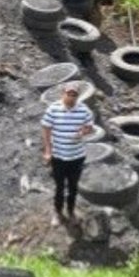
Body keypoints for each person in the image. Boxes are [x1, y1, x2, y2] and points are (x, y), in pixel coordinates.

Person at [41, 83, 94, 226]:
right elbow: (46, 129)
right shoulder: (53, 109)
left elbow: (90, 127)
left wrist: (84, 132)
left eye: (74, 94)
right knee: (59, 187)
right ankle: (58, 212)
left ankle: (71, 212)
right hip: (58, 156)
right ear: (63, 93)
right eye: (68, 93)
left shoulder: (84, 110)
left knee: (73, 187)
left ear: (78, 96)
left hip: (77, 156)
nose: (71, 97)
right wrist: (47, 151)